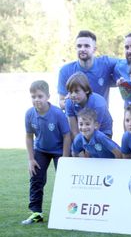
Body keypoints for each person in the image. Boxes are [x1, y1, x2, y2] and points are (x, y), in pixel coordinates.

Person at [23, 80, 71, 224]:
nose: (36, 100)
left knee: (64, 181)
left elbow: (67, 135)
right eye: (33, 96)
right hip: (41, 150)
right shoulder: (29, 114)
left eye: (40, 96)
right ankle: (36, 212)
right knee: (36, 179)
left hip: (58, 151)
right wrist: (31, 159)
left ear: (48, 96)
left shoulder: (57, 113)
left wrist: (65, 157)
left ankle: (67, 212)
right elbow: (29, 136)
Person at [58, 30, 117, 109]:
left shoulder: (105, 64)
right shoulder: (65, 71)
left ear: (94, 49)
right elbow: (61, 102)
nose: (82, 49)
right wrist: (69, 102)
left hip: (100, 118)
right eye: (79, 46)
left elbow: (125, 64)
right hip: (76, 119)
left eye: (86, 46)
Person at [65, 72, 113, 138]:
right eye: (70, 92)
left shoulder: (98, 104)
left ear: (86, 90)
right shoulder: (69, 102)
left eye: (76, 91)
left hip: (102, 131)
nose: (73, 95)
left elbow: (95, 130)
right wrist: (79, 144)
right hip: (83, 128)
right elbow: (74, 131)